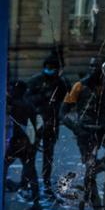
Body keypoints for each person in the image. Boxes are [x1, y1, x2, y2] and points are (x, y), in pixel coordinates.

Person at [61, 58, 105, 210]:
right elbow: (63, 113)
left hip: (104, 133)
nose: (94, 69)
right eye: (91, 65)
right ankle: (97, 207)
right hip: (86, 134)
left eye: (97, 66)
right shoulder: (79, 86)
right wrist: (76, 127)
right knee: (90, 168)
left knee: (104, 167)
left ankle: (101, 204)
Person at [26, 51, 69, 197]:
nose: (51, 69)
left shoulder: (61, 82)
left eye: (54, 67)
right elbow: (27, 98)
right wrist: (41, 96)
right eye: (48, 67)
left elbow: (66, 100)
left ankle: (46, 183)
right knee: (30, 154)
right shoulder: (35, 80)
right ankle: (27, 184)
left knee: (48, 156)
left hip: (52, 122)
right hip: (37, 121)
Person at [5, 79, 43, 210]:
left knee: (4, 167)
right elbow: (38, 125)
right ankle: (36, 204)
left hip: (18, 143)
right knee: (31, 173)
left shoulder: (17, 104)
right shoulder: (29, 104)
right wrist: (35, 142)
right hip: (27, 143)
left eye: (12, 89)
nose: (10, 91)